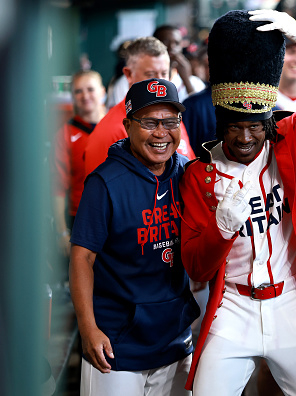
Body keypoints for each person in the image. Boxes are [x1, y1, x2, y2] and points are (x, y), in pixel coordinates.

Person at [179, 10, 296, 395]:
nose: (245, 137)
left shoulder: (294, 139)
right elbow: (196, 266)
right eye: (234, 127)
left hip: (291, 301)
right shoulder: (200, 175)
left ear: (269, 123)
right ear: (220, 125)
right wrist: (220, 230)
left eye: (255, 127)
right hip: (232, 309)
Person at [70, 78, 200, 396]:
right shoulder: (104, 183)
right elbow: (81, 259)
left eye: (170, 122)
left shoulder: (189, 174)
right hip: (116, 345)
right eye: (149, 122)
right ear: (128, 125)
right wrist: (88, 329)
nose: (161, 133)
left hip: (175, 341)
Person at [84, 36, 195, 176]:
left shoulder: (172, 115)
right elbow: (100, 190)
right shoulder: (110, 130)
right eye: (151, 74)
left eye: (164, 73)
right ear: (129, 74)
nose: (159, 81)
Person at [53, 69, 106, 257]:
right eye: (78, 91)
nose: (85, 96)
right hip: (81, 219)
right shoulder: (65, 134)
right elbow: (57, 189)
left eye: (90, 89)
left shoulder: (119, 125)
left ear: (102, 91)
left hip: (119, 216)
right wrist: (61, 232)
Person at [153, 25, 206, 103]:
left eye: (177, 43)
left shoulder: (194, 82)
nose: (171, 47)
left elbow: (200, 110)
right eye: (165, 42)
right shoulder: (144, 77)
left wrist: (186, 80)